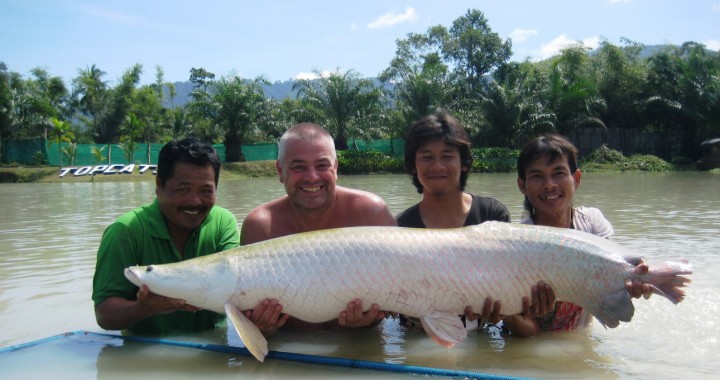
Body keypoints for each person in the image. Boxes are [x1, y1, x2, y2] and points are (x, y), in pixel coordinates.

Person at [395, 112, 555, 333]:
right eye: (427, 157)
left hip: (481, 338)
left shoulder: (492, 215)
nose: (438, 166)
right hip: (417, 341)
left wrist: (506, 313)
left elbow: (510, 293)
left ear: (464, 163)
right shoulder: (400, 228)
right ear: (413, 165)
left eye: (447, 156)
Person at [240, 122, 397, 334]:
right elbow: (245, 310)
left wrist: (369, 321)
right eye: (298, 167)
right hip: (288, 354)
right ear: (280, 170)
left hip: (362, 347)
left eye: (322, 165)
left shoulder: (371, 213)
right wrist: (258, 327)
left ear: (336, 168)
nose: (312, 177)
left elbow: (399, 297)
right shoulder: (261, 226)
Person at [92, 138, 240, 334]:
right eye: (183, 189)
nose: (195, 201)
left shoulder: (223, 222)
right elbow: (104, 314)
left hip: (215, 349)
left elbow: (238, 287)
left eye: (206, 191)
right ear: (159, 184)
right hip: (147, 354)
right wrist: (143, 308)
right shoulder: (125, 231)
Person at [515, 133, 651, 335]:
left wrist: (636, 275)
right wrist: (507, 316)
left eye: (558, 173)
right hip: (529, 341)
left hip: (582, 337)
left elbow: (609, 277)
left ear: (576, 179)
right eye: (537, 176)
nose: (549, 184)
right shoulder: (516, 242)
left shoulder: (590, 223)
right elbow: (528, 332)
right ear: (522, 185)